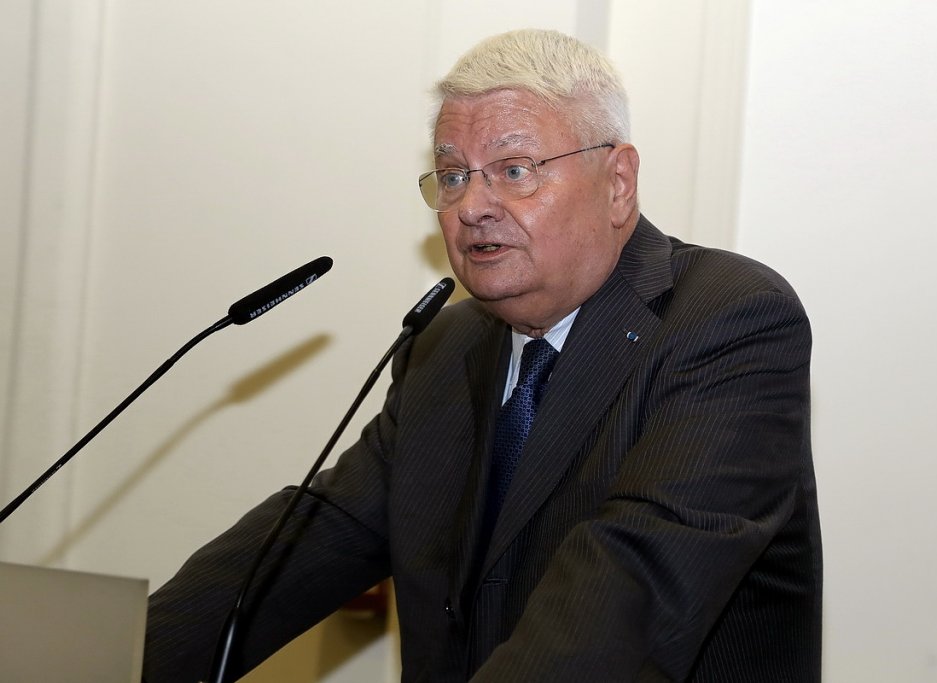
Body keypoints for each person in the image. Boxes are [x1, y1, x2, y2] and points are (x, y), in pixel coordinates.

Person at [144, 29, 821, 682]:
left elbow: (631, 586)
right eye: (452, 175)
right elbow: (315, 539)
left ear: (617, 182)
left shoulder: (726, 320)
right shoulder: (445, 346)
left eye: (514, 170)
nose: (472, 206)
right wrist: (102, 658)